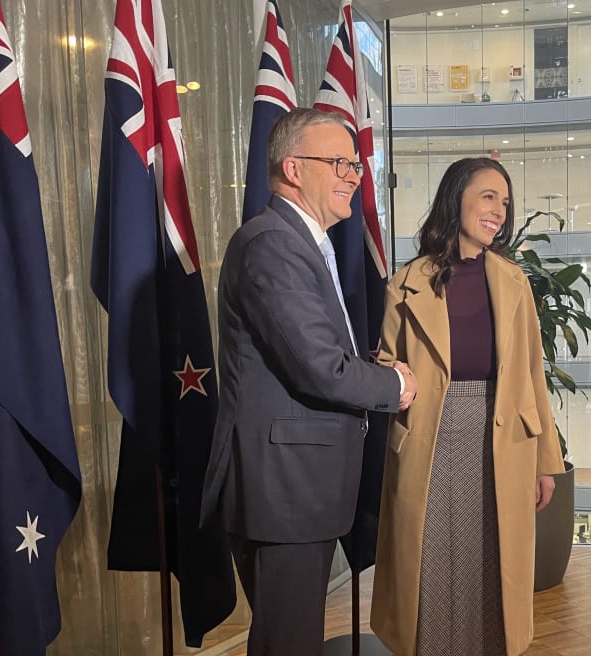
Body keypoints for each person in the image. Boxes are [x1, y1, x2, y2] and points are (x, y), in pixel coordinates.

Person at [199, 107, 416, 656]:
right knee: (287, 644)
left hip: (297, 488)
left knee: (290, 639)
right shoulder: (272, 243)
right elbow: (319, 366)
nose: (353, 175)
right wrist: (393, 385)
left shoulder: (300, 243)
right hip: (284, 491)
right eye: (340, 162)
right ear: (293, 168)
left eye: (356, 166)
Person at [369, 157, 565, 656]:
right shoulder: (406, 283)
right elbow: (386, 367)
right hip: (429, 433)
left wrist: (547, 461)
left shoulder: (514, 281)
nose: (499, 210)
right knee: (430, 559)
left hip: (501, 433)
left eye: (505, 200)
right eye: (487, 196)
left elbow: (532, 377)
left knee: (492, 559)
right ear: (456, 197)